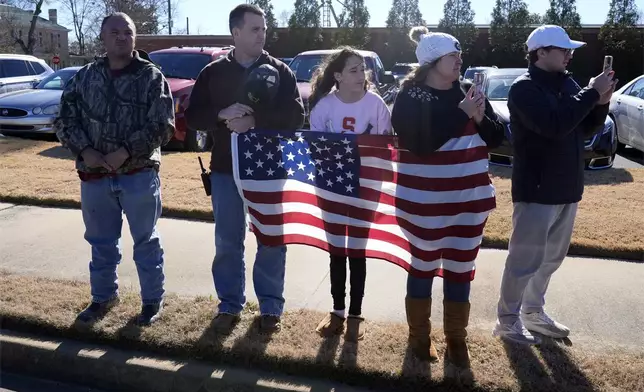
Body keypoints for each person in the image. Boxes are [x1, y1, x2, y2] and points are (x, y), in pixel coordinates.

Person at [390, 27, 505, 379]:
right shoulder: (410, 96)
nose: (459, 61)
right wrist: (462, 113)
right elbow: (421, 142)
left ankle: (457, 338)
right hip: (423, 204)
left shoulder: (467, 92)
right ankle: (419, 337)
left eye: (459, 55)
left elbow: (499, 138)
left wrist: (480, 116)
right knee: (423, 267)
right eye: (451, 56)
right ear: (431, 61)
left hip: (469, 202)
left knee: (460, 269)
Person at [185, 3, 305, 335]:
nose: (261, 35)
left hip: (268, 170)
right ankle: (229, 305)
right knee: (227, 240)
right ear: (235, 33)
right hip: (225, 169)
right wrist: (222, 115)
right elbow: (193, 116)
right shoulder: (213, 73)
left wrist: (256, 121)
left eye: (264, 29)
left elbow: (295, 118)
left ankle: (270, 307)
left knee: (270, 239)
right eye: (255, 29)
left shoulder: (281, 71)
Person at [493, 25, 616, 344]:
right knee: (525, 259)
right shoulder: (524, 88)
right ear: (541, 53)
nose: (570, 55)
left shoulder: (567, 82)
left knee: (551, 258)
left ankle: (533, 313)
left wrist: (601, 101)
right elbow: (554, 125)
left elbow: (585, 127)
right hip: (536, 187)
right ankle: (507, 320)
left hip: (567, 185)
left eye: (569, 50)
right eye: (563, 50)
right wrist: (590, 94)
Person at [54, 12, 175, 326]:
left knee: (146, 241)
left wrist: (126, 151)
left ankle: (152, 302)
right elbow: (64, 120)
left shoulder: (151, 76)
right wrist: (86, 150)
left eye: (128, 32)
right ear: (103, 37)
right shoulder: (84, 77)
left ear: (135, 37)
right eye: (115, 32)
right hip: (95, 177)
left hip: (138, 174)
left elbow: (163, 126)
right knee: (101, 242)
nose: (123, 37)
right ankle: (103, 297)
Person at [307, 47, 392, 343]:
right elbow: (315, 150)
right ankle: (337, 310)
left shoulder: (376, 105)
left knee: (357, 249)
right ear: (339, 76)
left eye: (363, 69)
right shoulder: (323, 108)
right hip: (331, 187)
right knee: (336, 250)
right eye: (353, 70)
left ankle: (355, 313)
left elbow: (384, 152)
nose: (361, 75)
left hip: (365, 188)